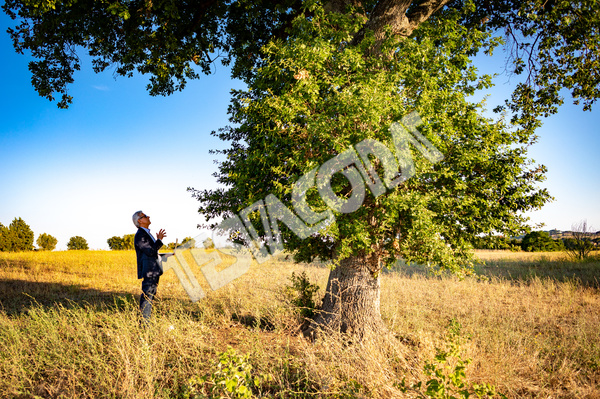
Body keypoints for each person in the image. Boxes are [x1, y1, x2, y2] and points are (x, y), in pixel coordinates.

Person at [132, 210, 167, 322]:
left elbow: (152, 254)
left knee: (150, 296)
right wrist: (159, 240)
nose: (148, 217)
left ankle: (146, 321)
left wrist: (167, 255)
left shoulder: (146, 233)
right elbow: (151, 251)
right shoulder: (140, 235)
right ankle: (144, 324)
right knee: (147, 297)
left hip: (154, 270)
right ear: (140, 221)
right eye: (145, 216)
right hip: (149, 271)